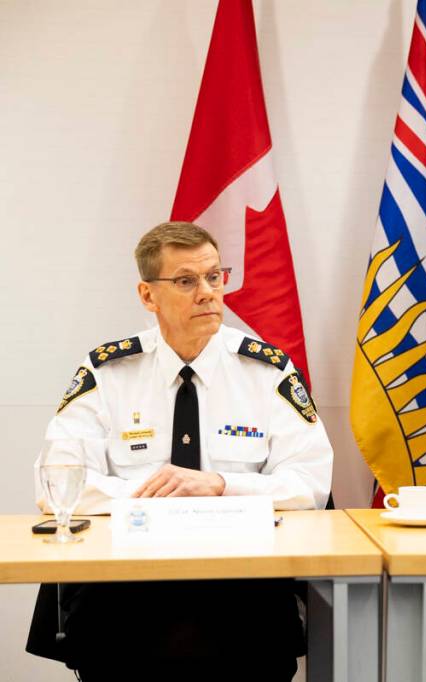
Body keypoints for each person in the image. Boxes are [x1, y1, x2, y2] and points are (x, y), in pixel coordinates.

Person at [27, 221, 333, 681]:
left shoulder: (265, 370)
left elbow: (310, 482)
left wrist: (220, 485)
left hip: (242, 591)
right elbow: (56, 482)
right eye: (186, 281)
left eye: (215, 276)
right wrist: (152, 496)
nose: (208, 293)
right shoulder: (108, 371)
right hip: (127, 593)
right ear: (148, 296)